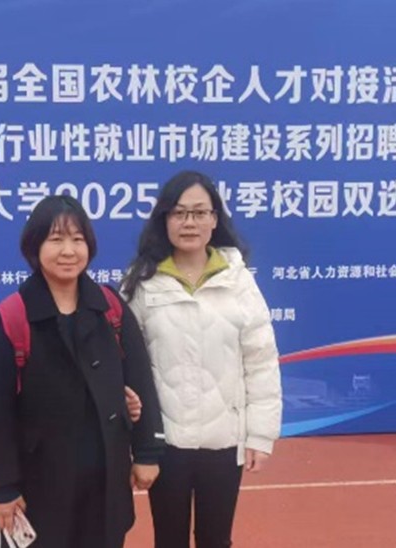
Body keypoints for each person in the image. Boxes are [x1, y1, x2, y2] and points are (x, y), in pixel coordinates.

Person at [0, 194, 166, 548]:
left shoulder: (110, 308)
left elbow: (140, 379)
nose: (68, 251)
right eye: (56, 239)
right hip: (38, 487)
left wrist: (147, 452)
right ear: (35, 246)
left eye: (78, 239)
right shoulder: (8, 320)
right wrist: (2, 488)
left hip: (104, 485)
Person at [121, 170, 283, 548]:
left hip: (224, 441)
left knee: (216, 540)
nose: (189, 222)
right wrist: (136, 442)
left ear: (214, 219)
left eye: (199, 212)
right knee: (169, 540)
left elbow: (260, 360)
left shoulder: (238, 280)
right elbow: (127, 365)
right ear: (164, 220)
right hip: (166, 442)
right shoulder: (141, 281)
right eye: (179, 213)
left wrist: (260, 434)